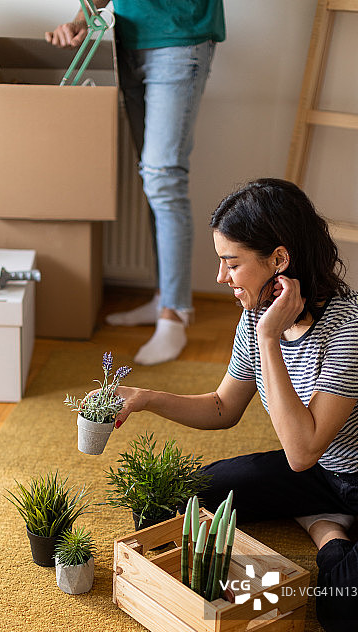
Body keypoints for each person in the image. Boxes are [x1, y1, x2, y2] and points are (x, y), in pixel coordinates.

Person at [111, 177, 358, 632]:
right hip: (324, 470)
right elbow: (223, 408)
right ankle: (326, 512)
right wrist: (147, 399)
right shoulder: (256, 312)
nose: (221, 278)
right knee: (171, 506)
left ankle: (326, 531)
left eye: (231, 263)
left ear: (279, 260)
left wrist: (268, 339)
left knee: (346, 613)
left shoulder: (356, 328)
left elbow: (300, 452)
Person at [45, 0, 225, 365]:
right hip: (129, 38)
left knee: (163, 180)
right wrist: (82, 19)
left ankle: (174, 315)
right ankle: (163, 298)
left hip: (180, 38)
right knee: (152, 178)